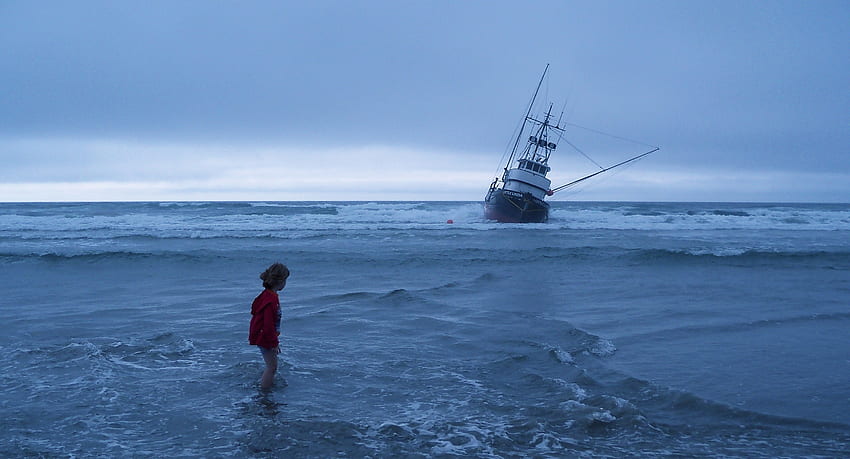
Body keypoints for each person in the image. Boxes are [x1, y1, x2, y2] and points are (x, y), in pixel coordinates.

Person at [249, 262, 290, 390]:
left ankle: (265, 386)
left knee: (271, 365)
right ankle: (264, 394)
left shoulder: (266, 295)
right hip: (265, 337)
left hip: (263, 335)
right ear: (281, 281)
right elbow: (268, 325)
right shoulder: (271, 300)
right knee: (272, 368)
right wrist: (274, 342)